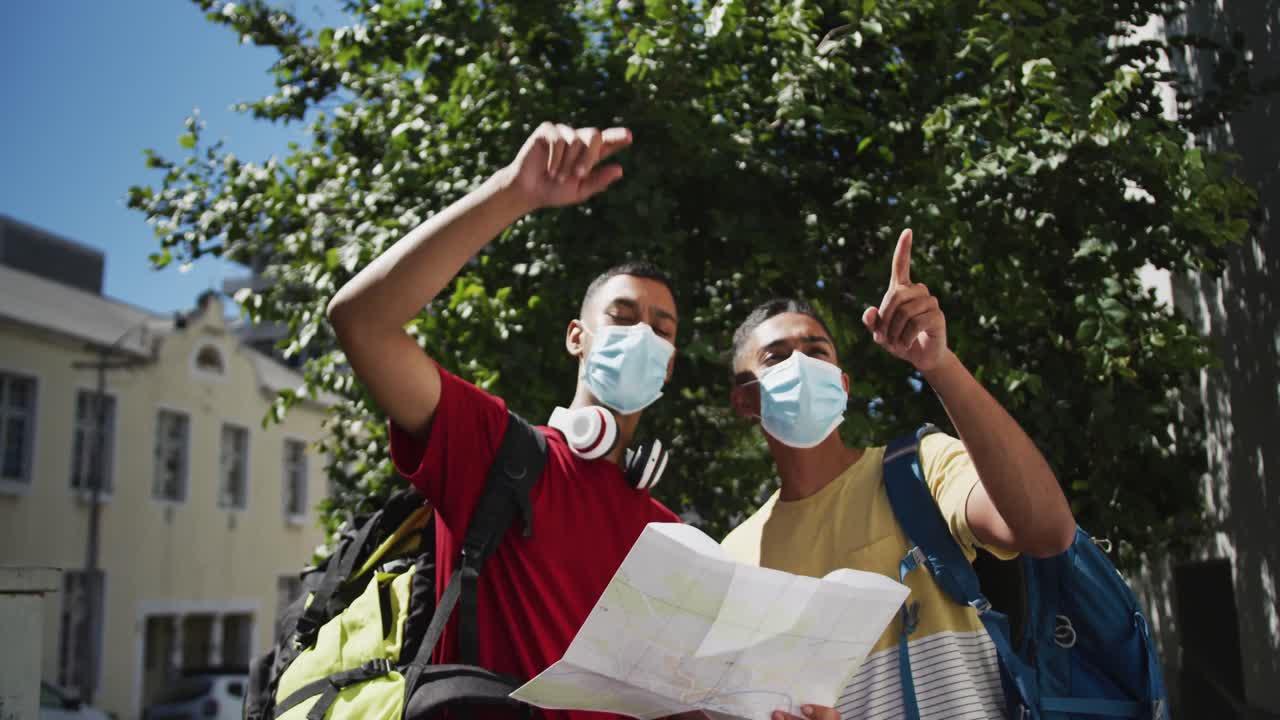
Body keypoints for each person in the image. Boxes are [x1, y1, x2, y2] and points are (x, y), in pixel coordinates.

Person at [327, 121, 843, 720]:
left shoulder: (669, 535)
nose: (643, 334)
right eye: (622, 316)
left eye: (662, 328)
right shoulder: (489, 448)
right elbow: (360, 320)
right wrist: (512, 192)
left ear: (670, 364)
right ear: (578, 337)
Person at [722, 229, 1077, 720]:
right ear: (745, 400)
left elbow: (1047, 531)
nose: (801, 364)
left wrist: (938, 364)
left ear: (842, 385)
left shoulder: (920, 467)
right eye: (776, 357)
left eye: (817, 350)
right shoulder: (732, 561)